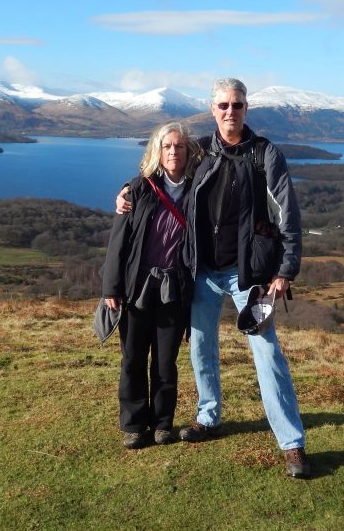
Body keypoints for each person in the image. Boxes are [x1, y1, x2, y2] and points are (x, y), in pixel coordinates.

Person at [115, 78, 310, 477]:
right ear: (212, 108)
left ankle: (292, 444)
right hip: (201, 271)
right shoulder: (201, 150)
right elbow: (160, 172)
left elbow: (287, 213)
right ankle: (208, 416)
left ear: (246, 108)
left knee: (267, 353)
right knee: (200, 348)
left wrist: (286, 268)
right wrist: (126, 192)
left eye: (236, 105)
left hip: (248, 275)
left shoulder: (264, 154)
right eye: (223, 105)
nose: (230, 112)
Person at [101, 121, 201, 449]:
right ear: (157, 151)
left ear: (189, 152)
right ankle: (133, 425)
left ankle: (162, 423)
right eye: (167, 146)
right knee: (132, 358)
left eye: (179, 146)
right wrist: (111, 288)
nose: (173, 152)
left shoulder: (199, 190)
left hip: (175, 288)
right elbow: (119, 242)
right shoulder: (138, 189)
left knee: (165, 361)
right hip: (137, 287)